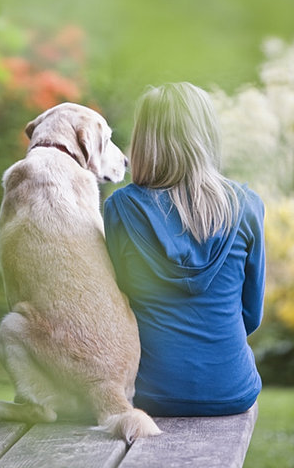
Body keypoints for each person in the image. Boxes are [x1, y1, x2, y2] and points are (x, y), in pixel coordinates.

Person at [104, 82, 265, 417]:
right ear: (207, 135)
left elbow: (118, 303)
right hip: (233, 391)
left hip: (148, 391)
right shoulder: (246, 206)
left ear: (145, 140)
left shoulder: (121, 207)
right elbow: (250, 315)